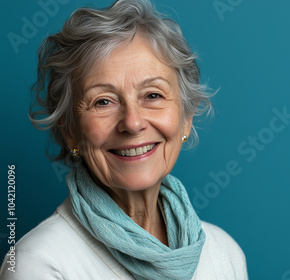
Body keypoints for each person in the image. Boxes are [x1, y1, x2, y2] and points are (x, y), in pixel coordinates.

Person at [0, 0, 247, 279]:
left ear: (185, 118)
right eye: (103, 101)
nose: (132, 122)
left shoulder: (224, 253)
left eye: (153, 95)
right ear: (70, 131)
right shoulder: (39, 264)